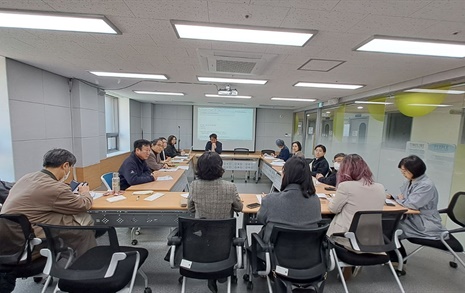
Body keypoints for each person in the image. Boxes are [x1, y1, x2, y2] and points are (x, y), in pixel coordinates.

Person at [1, 148, 96, 257]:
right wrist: (85, 193)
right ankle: (88, 264)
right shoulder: (55, 188)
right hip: (30, 237)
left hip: (10, 236)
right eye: (69, 167)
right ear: (65, 166)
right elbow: (83, 205)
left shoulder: (27, 177)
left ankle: (73, 253)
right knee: (84, 226)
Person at [187, 151, 243, 292]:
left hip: (201, 234)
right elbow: (239, 207)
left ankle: (211, 276)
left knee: (208, 239)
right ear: (220, 167)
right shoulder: (230, 187)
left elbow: (190, 208)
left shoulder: (194, 186)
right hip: (224, 236)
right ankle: (223, 271)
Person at [388, 155, 447, 261]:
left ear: (415, 170)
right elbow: (404, 199)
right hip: (413, 218)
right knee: (387, 225)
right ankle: (396, 256)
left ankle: (398, 259)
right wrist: (394, 198)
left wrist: (400, 200)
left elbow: (411, 204)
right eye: (402, 171)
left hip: (424, 223)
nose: (403, 173)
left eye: (405, 171)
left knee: (390, 228)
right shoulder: (411, 181)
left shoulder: (426, 185)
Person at [257, 156, 322, 242]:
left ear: (285, 175)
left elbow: (260, 219)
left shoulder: (270, 200)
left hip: (273, 252)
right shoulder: (315, 200)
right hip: (308, 252)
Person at [327, 154, 385, 242]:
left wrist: (331, 201)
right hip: (372, 240)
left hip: (347, 237)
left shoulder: (345, 186)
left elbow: (333, 209)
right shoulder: (380, 187)